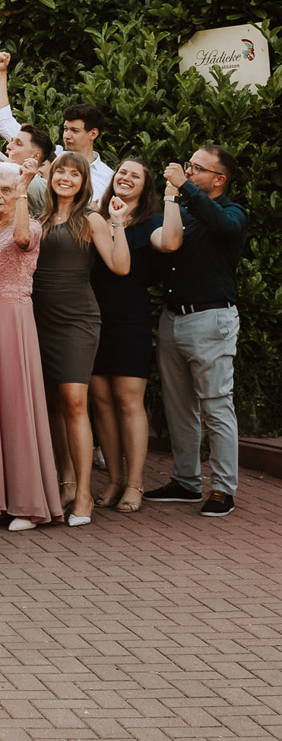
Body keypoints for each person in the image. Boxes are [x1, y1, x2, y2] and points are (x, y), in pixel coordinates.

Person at [0, 161, 65, 530]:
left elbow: (20, 239)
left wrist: (24, 187)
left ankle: (25, 503)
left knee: (13, 404)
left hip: (10, 322)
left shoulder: (30, 226)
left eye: (5, 189)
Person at [145, 146, 248, 517]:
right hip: (172, 318)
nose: (188, 171)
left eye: (196, 168)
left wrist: (183, 187)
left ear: (219, 179)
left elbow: (224, 224)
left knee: (217, 406)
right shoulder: (184, 213)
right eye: (188, 166)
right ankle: (186, 482)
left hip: (211, 320)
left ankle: (223, 489)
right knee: (178, 407)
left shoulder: (232, 213)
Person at [32, 152, 130, 526]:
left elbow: (120, 266)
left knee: (74, 401)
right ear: (51, 176)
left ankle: (85, 493)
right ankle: (67, 481)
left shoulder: (90, 219)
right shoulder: (39, 218)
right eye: (61, 172)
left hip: (76, 320)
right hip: (38, 317)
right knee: (53, 402)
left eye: (75, 174)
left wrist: (117, 223)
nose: (67, 178)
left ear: (83, 180)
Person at [89, 158, 182, 514]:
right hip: (94, 319)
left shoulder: (151, 224)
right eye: (122, 172)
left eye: (135, 175)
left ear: (146, 187)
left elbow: (172, 243)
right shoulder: (95, 219)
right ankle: (113, 480)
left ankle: (134, 482)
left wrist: (173, 195)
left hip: (130, 320)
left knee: (129, 401)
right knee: (101, 403)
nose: (126, 178)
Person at [0, 52, 112, 203]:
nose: (67, 135)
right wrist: (0, 73)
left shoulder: (109, 177)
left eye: (74, 130)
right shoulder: (50, 154)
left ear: (93, 134)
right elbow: (2, 120)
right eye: (66, 129)